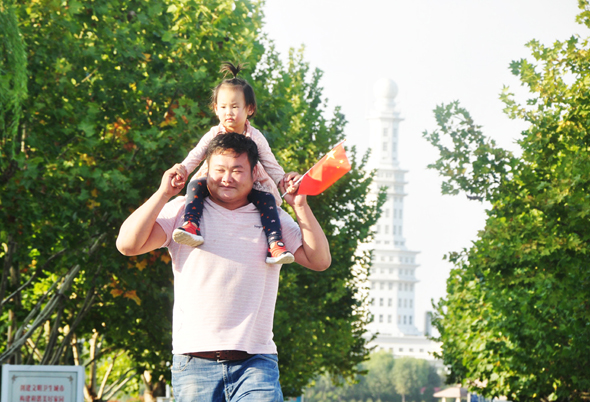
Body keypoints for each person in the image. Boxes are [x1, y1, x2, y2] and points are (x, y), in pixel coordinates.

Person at [116, 133, 331, 402]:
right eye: (219, 170)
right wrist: (163, 194)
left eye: (237, 170)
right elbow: (128, 245)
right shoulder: (184, 211)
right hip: (194, 362)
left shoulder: (272, 217)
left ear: (255, 172)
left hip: (255, 362)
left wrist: (301, 207)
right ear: (207, 169)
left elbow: (319, 260)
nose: (227, 178)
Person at [171, 62, 294, 265]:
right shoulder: (214, 134)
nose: (229, 112)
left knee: (267, 201)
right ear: (215, 109)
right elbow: (196, 154)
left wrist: (283, 181)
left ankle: (275, 244)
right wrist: (182, 170)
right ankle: (191, 224)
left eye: (235, 107)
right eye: (223, 107)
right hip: (214, 180)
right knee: (195, 185)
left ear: (249, 109)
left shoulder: (255, 136)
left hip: (250, 184)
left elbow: (270, 162)